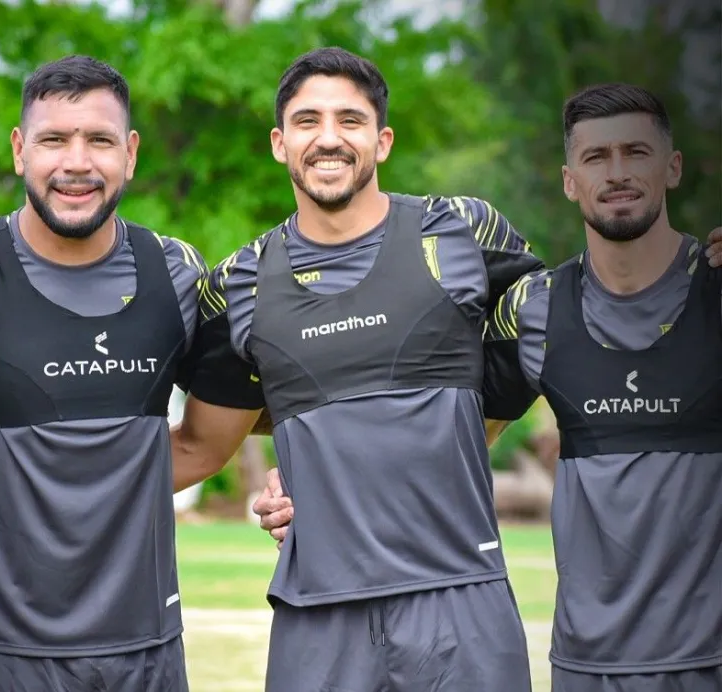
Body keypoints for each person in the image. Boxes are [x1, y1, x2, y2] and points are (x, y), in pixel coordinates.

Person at [255, 83, 722, 692]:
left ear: (673, 167)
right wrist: (309, 478)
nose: (616, 173)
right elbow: (459, 425)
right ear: (569, 180)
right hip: (586, 664)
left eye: (636, 152)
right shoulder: (539, 311)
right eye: (595, 157)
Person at [170, 47, 546, 692]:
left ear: (383, 140)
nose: (328, 138)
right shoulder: (240, 283)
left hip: (461, 597)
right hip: (318, 612)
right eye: (307, 120)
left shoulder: (462, 233)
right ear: (279, 144)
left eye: (350, 120)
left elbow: (564, 338)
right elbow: (204, 443)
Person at [0, 55, 239, 691]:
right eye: (54, 139)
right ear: (19, 150)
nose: (77, 162)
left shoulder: (176, 273)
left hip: (143, 651)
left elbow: (214, 434)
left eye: (100, 140)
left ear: (131, 153)